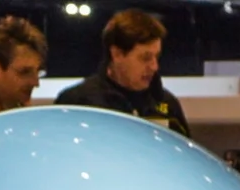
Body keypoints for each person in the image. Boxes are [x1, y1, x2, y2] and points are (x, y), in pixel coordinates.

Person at [52, 9, 189, 139]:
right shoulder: (77, 102)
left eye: (157, 57)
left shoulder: (168, 104)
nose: (154, 66)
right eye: (145, 58)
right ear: (116, 54)